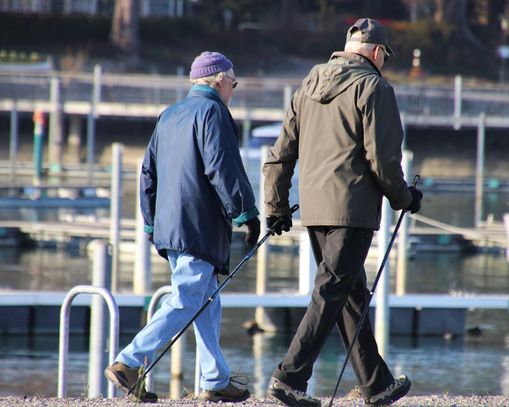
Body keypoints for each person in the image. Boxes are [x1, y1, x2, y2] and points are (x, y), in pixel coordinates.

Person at [263, 18, 423, 407]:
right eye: (384, 54)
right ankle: (289, 377)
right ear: (375, 51)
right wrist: (405, 198)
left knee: (350, 295)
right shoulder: (375, 87)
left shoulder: (308, 83)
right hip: (352, 209)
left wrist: (276, 206)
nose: (384, 60)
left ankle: (376, 383)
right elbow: (383, 159)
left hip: (316, 209)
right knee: (332, 291)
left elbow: (280, 153)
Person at [105, 51, 260, 403]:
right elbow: (222, 166)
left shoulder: (170, 114)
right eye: (233, 83)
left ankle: (215, 379)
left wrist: (149, 221)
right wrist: (246, 213)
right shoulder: (213, 112)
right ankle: (129, 361)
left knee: (206, 300)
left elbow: (148, 172)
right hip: (198, 224)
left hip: (170, 225)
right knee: (187, 297)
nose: (233, 90)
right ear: (220, 80)